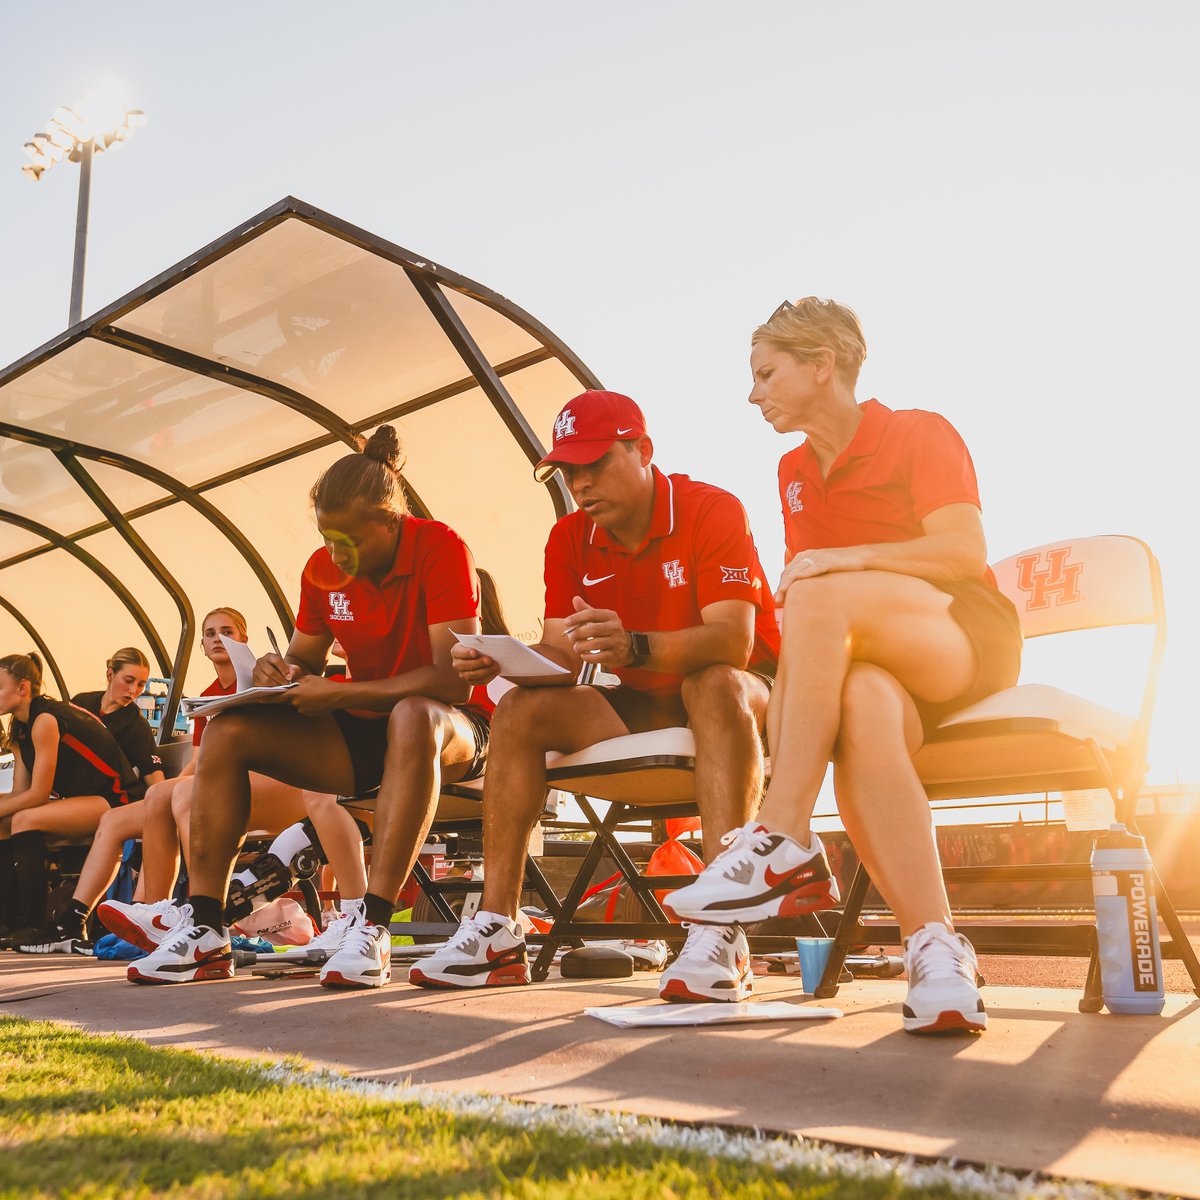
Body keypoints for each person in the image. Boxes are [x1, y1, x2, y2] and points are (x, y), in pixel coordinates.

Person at [667, 297, 1022, 1034]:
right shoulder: (793, 469)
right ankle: (936, 949)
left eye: (766, 374)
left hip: (957, 637)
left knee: (820, 588)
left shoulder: (919, 432)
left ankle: (783, 835)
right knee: (857, 700)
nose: (752, 393)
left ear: (822, 366)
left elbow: (964, 552)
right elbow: (807, 605)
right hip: (875, 666)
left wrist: (845, 559)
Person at [415, 389, 780, 1001]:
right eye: (569, 470)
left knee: (711, 683)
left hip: (738, 695)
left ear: (642, 450)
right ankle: (498, 928)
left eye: (596, 463)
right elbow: (562, 654)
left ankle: (721, 927)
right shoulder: (568, 537)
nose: (580, 483)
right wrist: (502, 658)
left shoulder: (712, 508)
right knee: (520, 708)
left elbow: (733, 642)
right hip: (632, 697)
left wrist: (636, 646)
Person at [126, 426, 491, 985]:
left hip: (453, 731)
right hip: (366, 729)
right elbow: (304, 660)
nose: (333, 553)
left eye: (348, 540)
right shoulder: (322, 571)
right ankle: (204, 930)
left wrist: (341, 693)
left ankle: (372, 927)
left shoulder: (442, 547)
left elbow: (451, 681)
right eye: (325, 537)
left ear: (390, 522)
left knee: (414, 715)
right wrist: (279, 669)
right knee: (229, 728)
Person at [74, 610, 306, 954]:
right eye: (210, 633)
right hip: (229, 782)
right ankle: (155, 912)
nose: (217, 638)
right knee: (161, 793)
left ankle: (203, 914)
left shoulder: (263, 679)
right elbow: (198, 763)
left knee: (185, 792)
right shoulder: (208, 695)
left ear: (243, 638)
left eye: (226, 631)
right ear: (201, 645)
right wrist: (160, 795)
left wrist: (177, 789)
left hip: (271, 781)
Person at [13, 647, 165, 953]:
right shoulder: (80, 704)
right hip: (77, 797)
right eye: (128, 680)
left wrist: (161, 810)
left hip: (111, 799)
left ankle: (43, 924)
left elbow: (154, 778)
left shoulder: (133, 723)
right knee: (13, 820)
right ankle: (18, 922)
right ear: (110, 675)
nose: (133, 691)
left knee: (23, 818)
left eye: (141, 685)